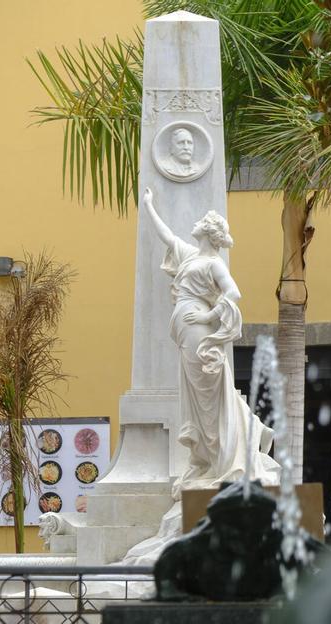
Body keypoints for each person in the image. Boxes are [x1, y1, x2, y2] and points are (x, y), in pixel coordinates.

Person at [140, 187, 279, 496]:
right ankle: (210, 458)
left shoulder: (214, 262)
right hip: (185, 329)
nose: (198, 221)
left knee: (207, 396)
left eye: (203, 220)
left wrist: (207, 318)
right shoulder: (191, 255)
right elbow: (167, 235)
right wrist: (149, 204)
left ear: (208, 231)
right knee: (198, 395)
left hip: (196, 329)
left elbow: (234, 293)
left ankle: (222, 456)